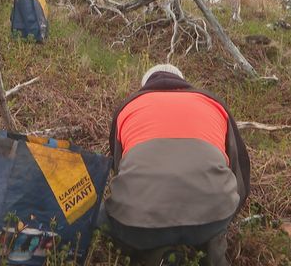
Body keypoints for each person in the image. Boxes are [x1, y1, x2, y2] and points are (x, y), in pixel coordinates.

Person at [102, 64, 250, 266]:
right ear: (182, 83)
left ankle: (158, 255)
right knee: (211, 226)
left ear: (145, 87)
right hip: (212, 218)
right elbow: (240, 171)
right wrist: (224, 216)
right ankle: (209, 250)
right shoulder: (213, 103)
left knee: (102, 217)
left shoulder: (128, 106)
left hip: (140, 224)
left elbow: (119, 170)